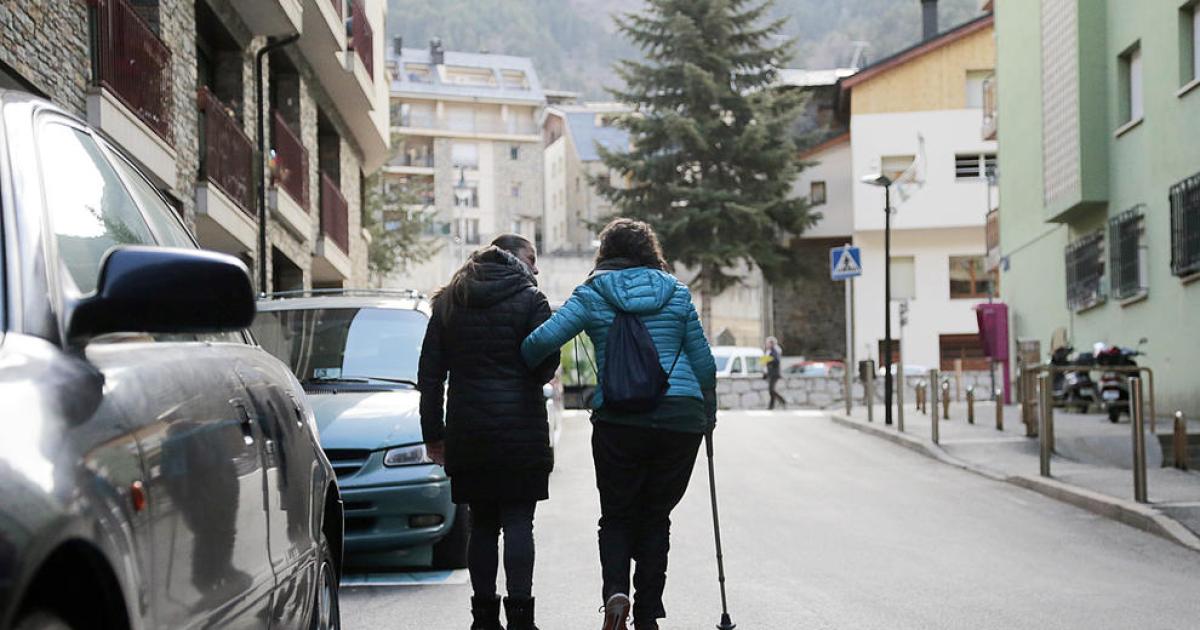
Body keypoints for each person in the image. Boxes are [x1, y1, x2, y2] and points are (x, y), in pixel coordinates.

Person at [520, 218, 717, 630]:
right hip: (680, 418)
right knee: (656, 515)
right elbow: (704, 364)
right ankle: (647, 616)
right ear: (651, 252)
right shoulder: (678, 295)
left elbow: (539, 342)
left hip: (620, 420)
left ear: (606, 254)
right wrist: (708, 415)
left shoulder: (592, 293)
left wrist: (520, 368)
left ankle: (615, 592)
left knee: (617, 514)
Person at [418, 234, 558, 630]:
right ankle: (521, 619)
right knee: (518, 522)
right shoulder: (532, 301)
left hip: (469, 431)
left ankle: (483, 618)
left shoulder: (449, 302)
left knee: (481, 524)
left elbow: (430, 377)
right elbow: (545, 368)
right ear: (516, 261)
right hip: (521, 431)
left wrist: (433, 434)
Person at [764, 336, 786, 409]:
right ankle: (771, 406)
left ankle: (782, 400)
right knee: (771, 390)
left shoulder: (774, 351)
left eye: (767, 343)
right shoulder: (769, 351)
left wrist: (768, 360)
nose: (766, 344)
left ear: (771, 343)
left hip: (774, 373)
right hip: (771, 373)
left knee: (771, 390)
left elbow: (776, 360)